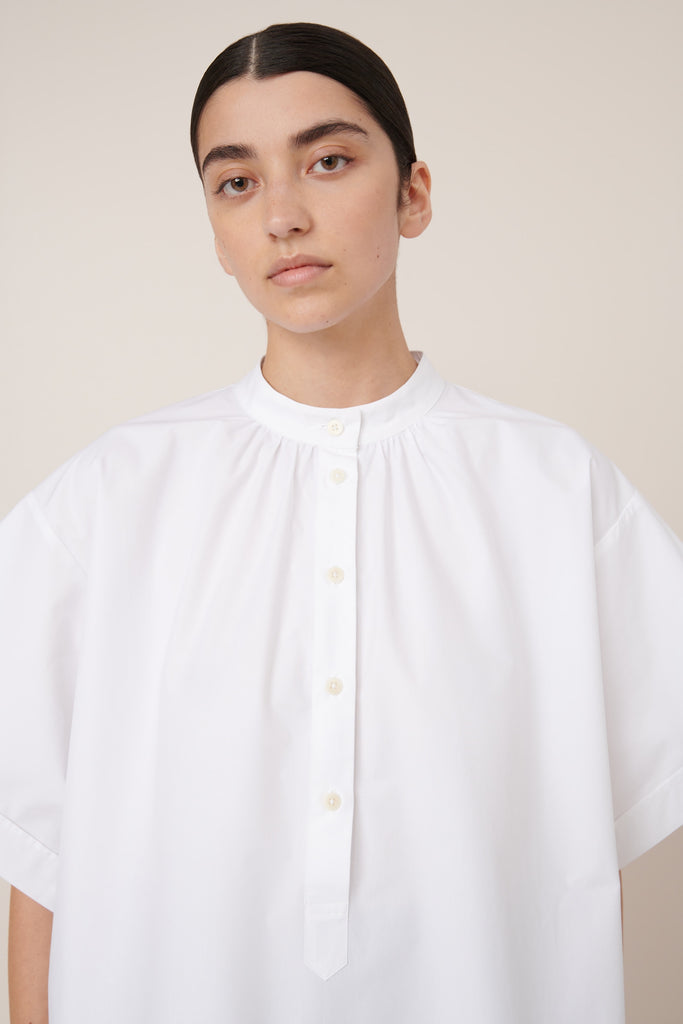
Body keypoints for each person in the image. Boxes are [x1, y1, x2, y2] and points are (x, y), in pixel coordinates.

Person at [1, 21, 682, 1024]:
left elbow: (585, 851)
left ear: (413, 194)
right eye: (237, 182)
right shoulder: (104, 502)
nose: (282, 215)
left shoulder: (556, 492)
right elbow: (38, 857)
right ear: (214, 229)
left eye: (327, 161)